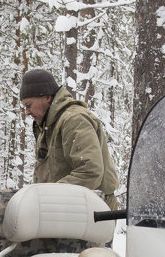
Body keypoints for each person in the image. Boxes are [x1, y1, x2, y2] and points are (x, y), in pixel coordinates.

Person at [19, 68, 119, 209]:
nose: (27, 112)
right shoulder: (48, 125)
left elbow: (90, 171)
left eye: (29, 105)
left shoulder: (74, 120)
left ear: (47, 97)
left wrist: (47, 196)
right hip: (70, 207)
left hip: (93, 209)